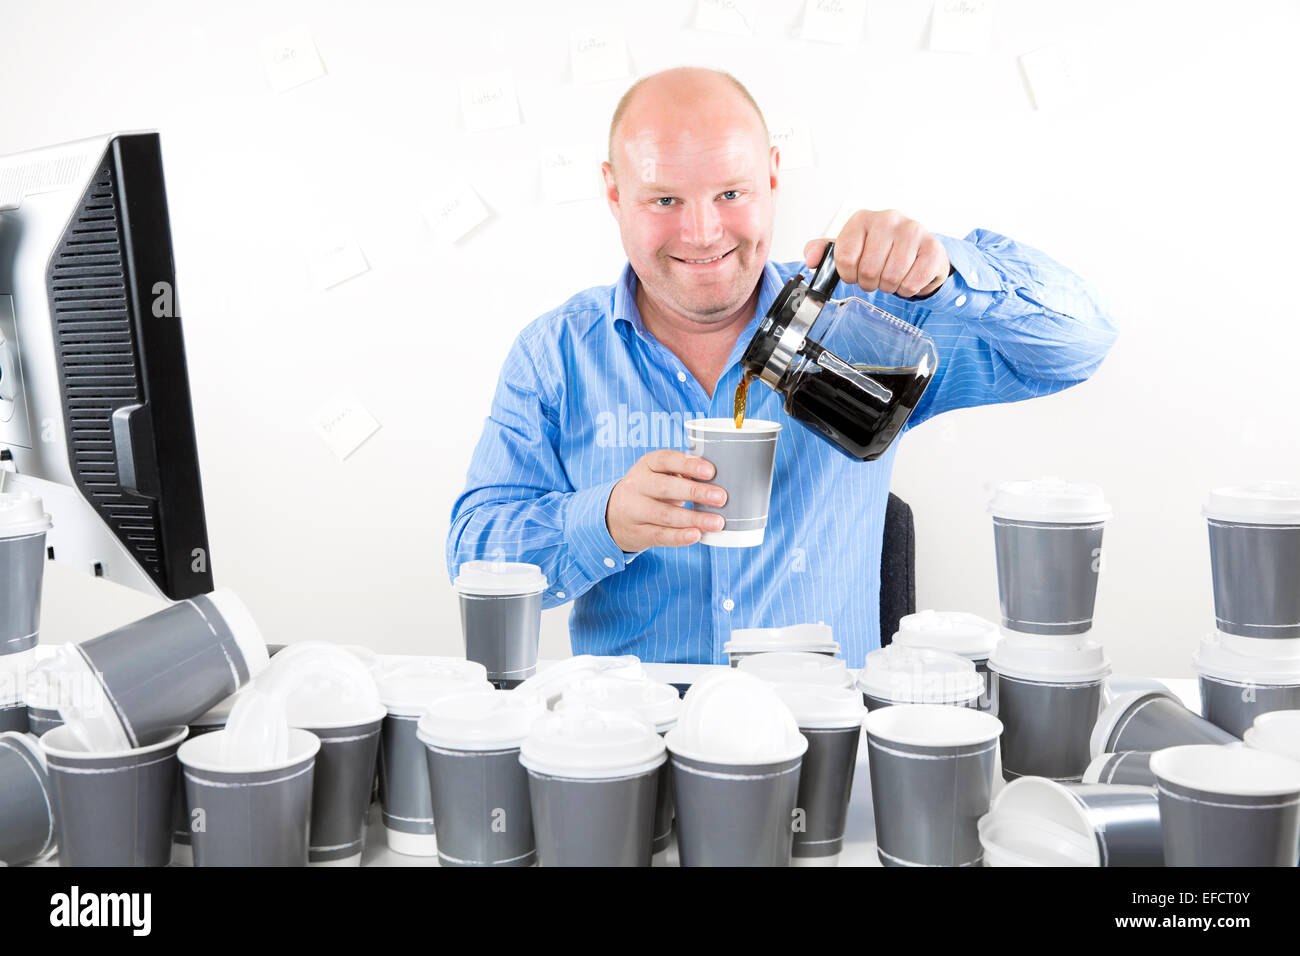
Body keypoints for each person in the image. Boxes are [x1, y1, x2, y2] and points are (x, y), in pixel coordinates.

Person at [446, 67, 1117, 665]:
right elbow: (472, 554)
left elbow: (1080, 344)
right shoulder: (558, 356)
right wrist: (607, 519)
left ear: (772, 175)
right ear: (614, 193)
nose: (704, 232)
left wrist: (948, 271)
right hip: (636, 748)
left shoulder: (866, 321)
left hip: (820, 741)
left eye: (731, 193)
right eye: (664, 200)